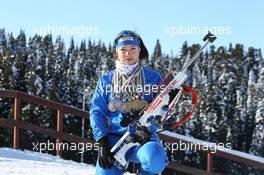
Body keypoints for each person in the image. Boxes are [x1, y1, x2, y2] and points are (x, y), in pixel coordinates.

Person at [90, 30, 168, 175]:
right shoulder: (107, 80)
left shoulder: (154, 78)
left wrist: (149, 129)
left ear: (139, 50)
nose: (128, 54)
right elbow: (97, 111)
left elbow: (164, 110)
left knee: (155, 158)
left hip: (144, 137)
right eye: (123, 50)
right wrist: (102, 140)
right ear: (116, 52)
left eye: (133, 49)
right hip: (115, 139)